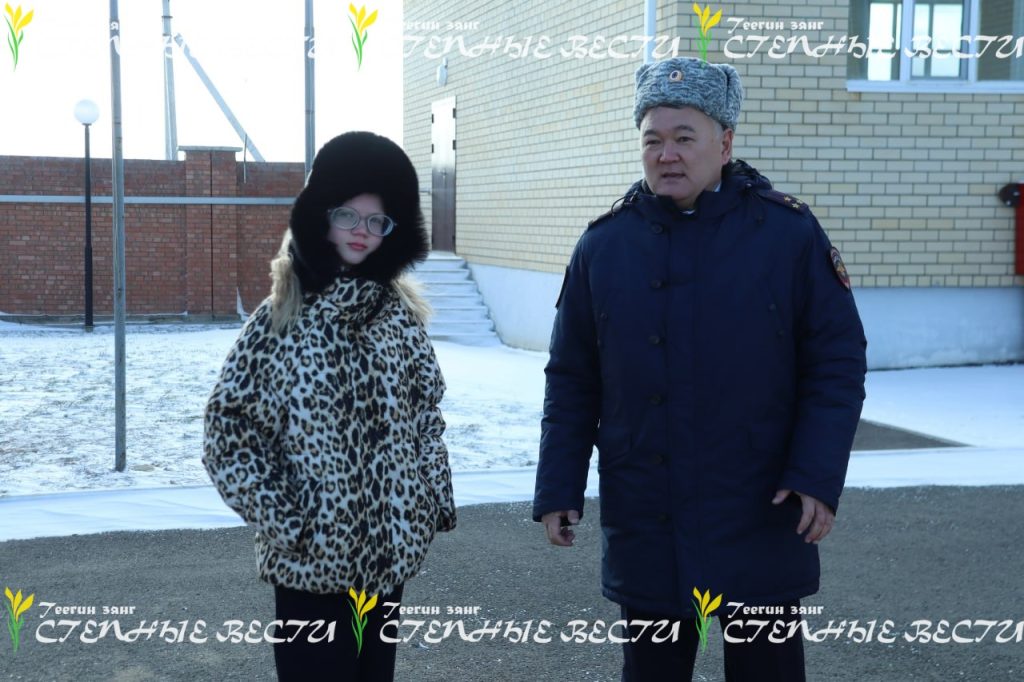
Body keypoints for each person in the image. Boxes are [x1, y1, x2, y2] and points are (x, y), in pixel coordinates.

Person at [533, 57, 867, 681]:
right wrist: (559, 485)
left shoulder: (787, 235)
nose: (667, 155)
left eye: (685, 137)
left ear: (725, 143)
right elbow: (572, 378)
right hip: (647, 510)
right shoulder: (604, 246)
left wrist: (816, 475)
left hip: (761, 507)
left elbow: (836, 365)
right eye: (653, 140)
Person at [203, 131, 456, 682]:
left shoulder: (399, 320)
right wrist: (288, 522)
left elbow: (426, 416)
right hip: (310, 570)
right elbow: (229, 431)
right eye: (348, 215)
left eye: (376, 221)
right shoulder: (280, 321)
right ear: (322, 217)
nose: (361, 231)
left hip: (388, 564)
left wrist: (428, 497)